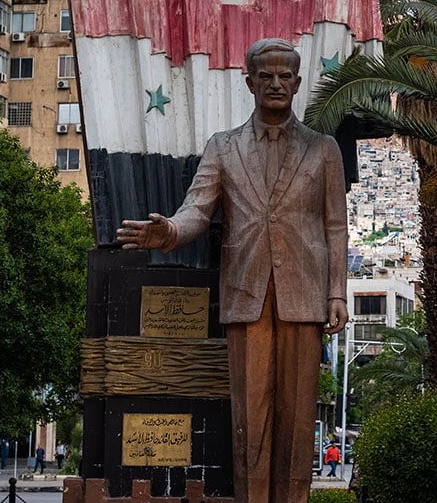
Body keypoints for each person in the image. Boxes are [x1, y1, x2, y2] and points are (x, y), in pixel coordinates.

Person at [117, 38, 349, 503]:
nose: (277, 84)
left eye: (286, 76)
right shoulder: (223, 148)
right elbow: (197, 211)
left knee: (299, 421)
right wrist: (168, 232)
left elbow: (335, 227)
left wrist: (337, 294)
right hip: (246, 295)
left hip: (303, 297)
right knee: (250, 421)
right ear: (250, 82)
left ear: (299, 83)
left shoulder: (323, 150)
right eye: (266, 76)